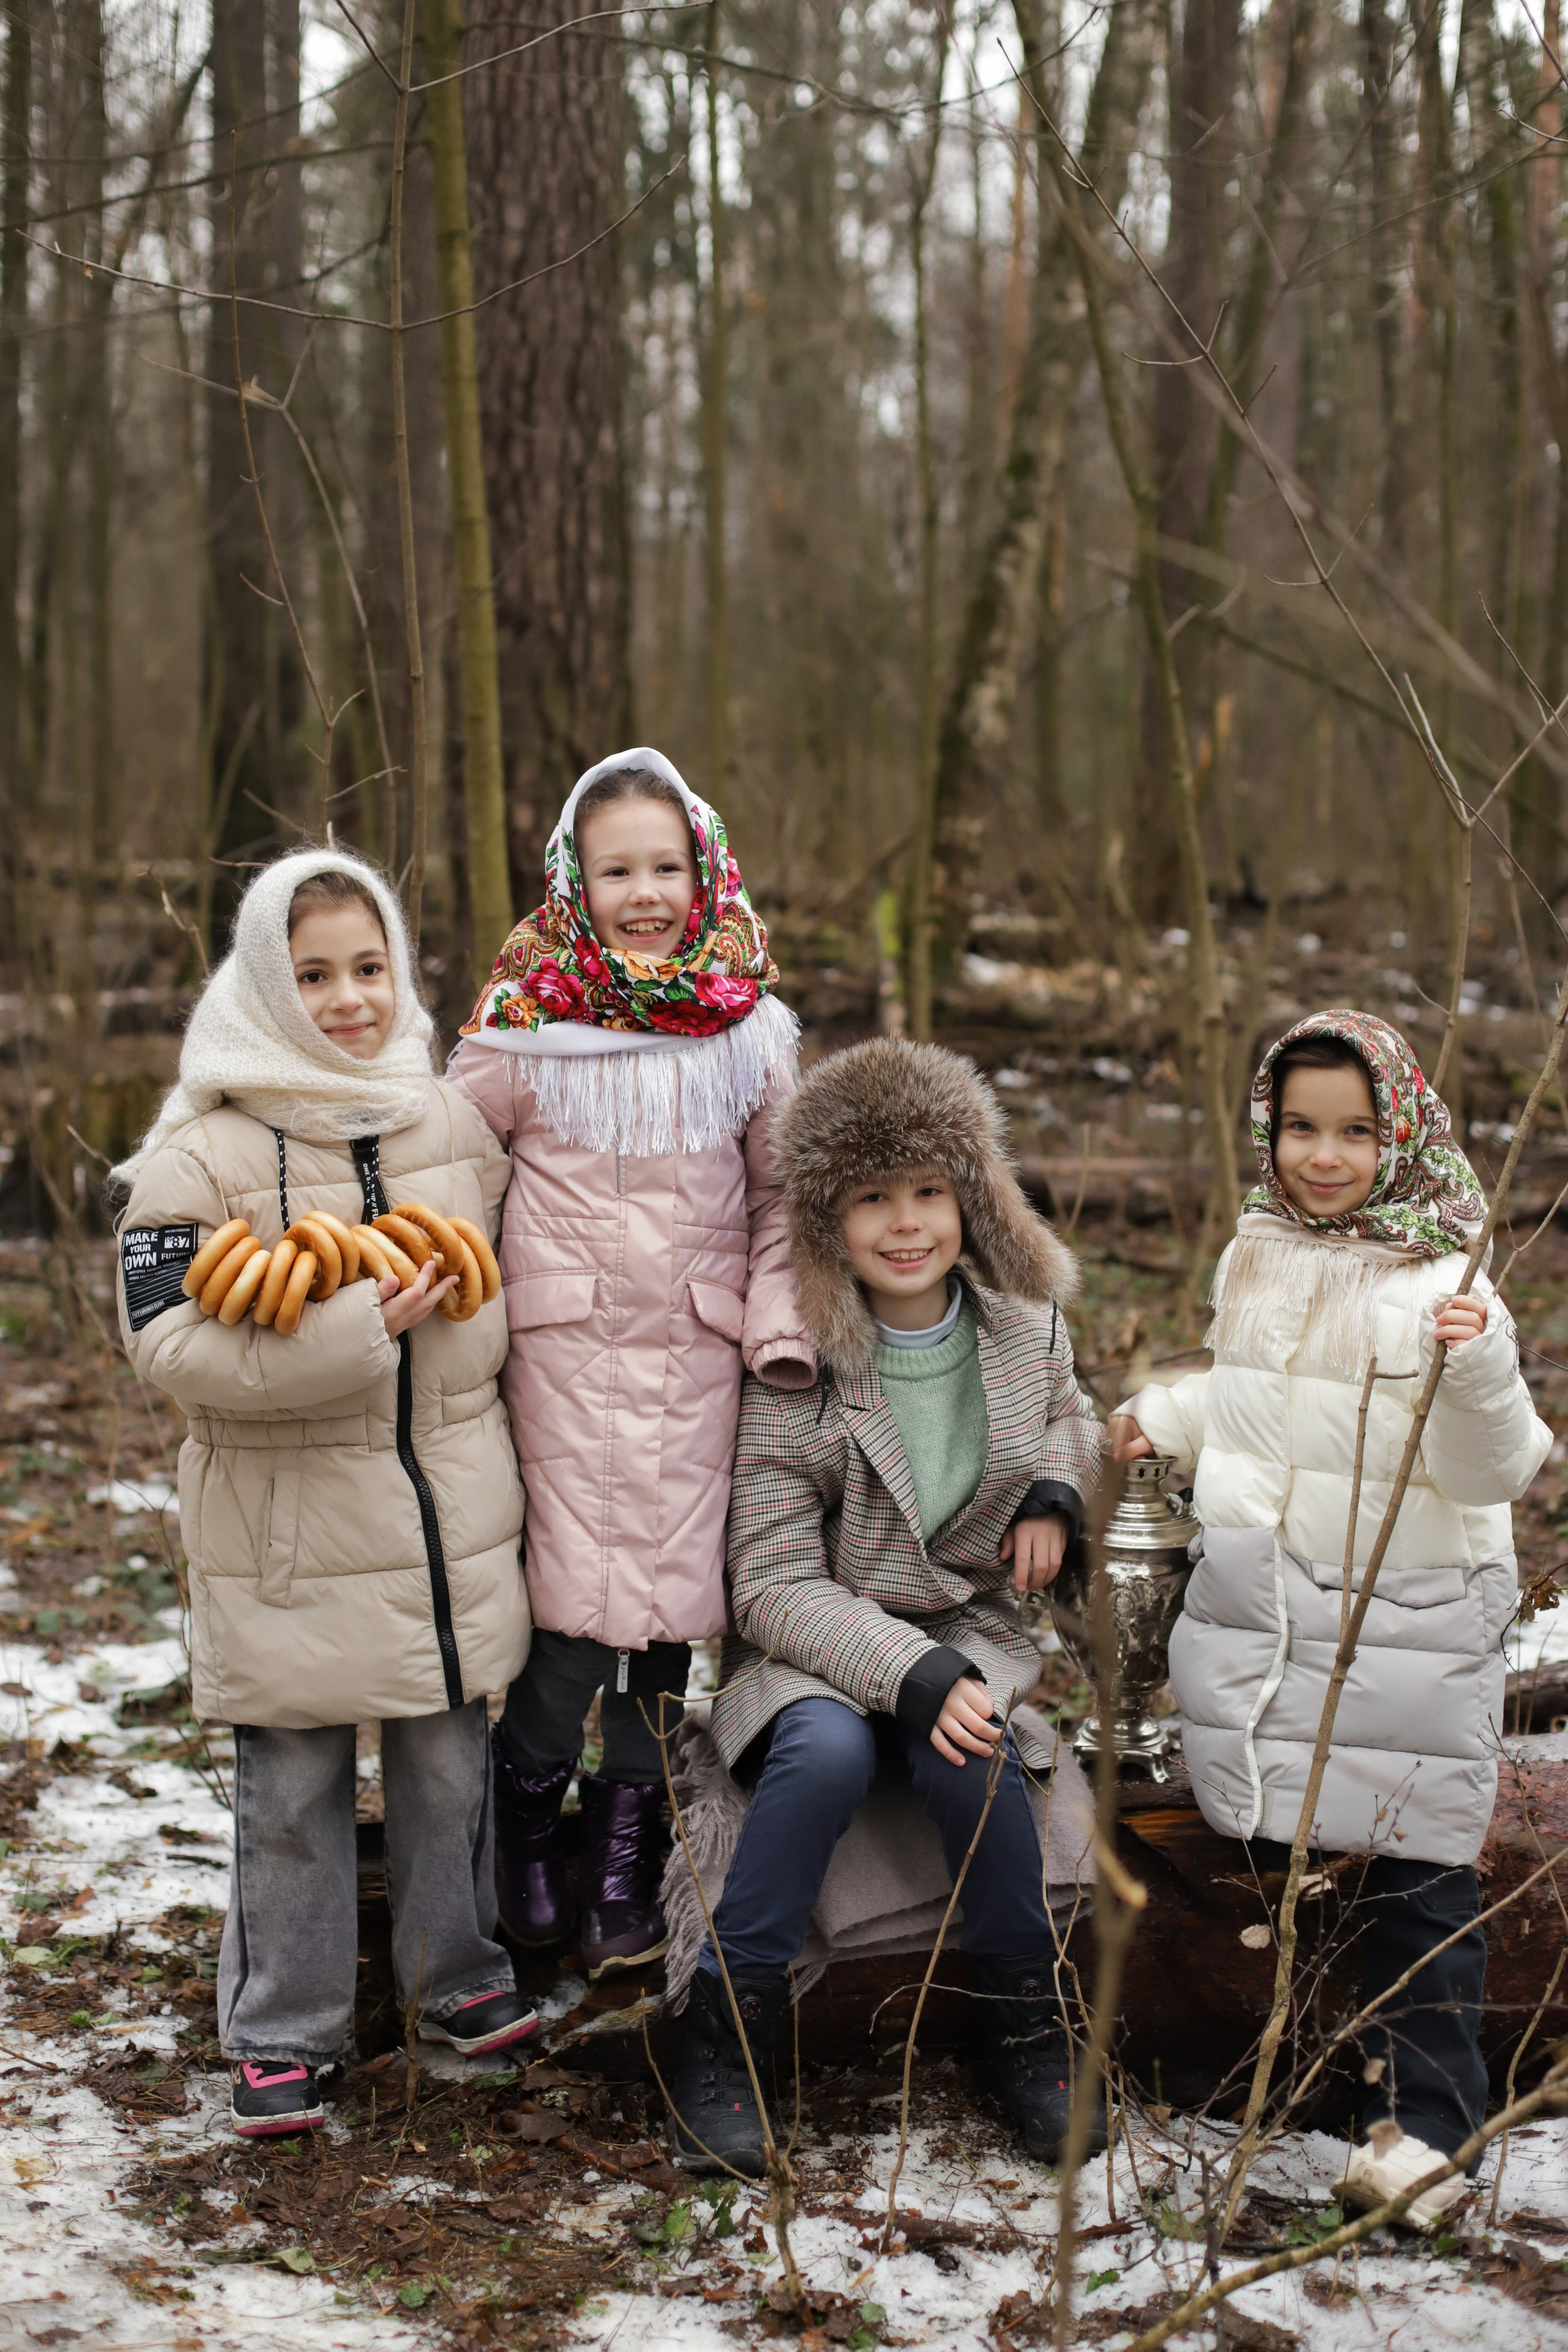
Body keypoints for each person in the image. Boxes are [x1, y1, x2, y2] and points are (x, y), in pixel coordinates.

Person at [115, 848, 535, 2139]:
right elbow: (166, 1348)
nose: (349, 998)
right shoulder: (197, 1151)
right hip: (281, 1534)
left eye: (369, 967)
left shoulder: (449, 1124)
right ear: (262, 983)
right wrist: (353, 1332)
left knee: (448, 1762)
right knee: (291, 1788)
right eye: (313, 974)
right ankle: (284, 2029)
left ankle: (455, 1981)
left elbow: (523, 1293)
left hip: (445, 1517)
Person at [1110, 1009, 1550, 2229]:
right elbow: (1256, 1401)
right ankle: (1265, 2064)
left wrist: (1473, 1365)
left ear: (1398, 1135)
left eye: (1354, 1132)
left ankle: (1422, 2125)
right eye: (1298, 1128)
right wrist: (1164, 1416)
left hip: (1403, 1613)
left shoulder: (1443, 1284)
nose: (1321, 1155)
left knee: (1413, 1862)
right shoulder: (1258, 1252)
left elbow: (1496, 1466)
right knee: (1269, 1851)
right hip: (1273, 1604)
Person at [663, 1037, 1103, 2175]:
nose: (906, 1224)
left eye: (930, 1192)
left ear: (974, 1202)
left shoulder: (1025, 1330)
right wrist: (903, 1674)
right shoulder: (797, 1364)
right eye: (871, 1199)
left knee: (977, 1758)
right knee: (821, 1756)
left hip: (968, 1631)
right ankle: (729, 2022)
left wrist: (1059, 1486)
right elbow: (766, 1581)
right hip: (819, 1638)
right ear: (826, 1223)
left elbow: (1072, 1417)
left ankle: (1027, 2023)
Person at [447, 750, 812, 1981]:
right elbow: (447, 1166)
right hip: (556, 1357)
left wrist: (774, 1322)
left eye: (665, 866)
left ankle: (621, 1843)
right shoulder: (523, 1027)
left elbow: (782, 1200)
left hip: (700, 1366)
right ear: (574, 879)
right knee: (560, 1631)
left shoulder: (750, 1033)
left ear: (704, 873)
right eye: (617, 869)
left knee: (661, 1633)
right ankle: (519, 1828)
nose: (643, 891)